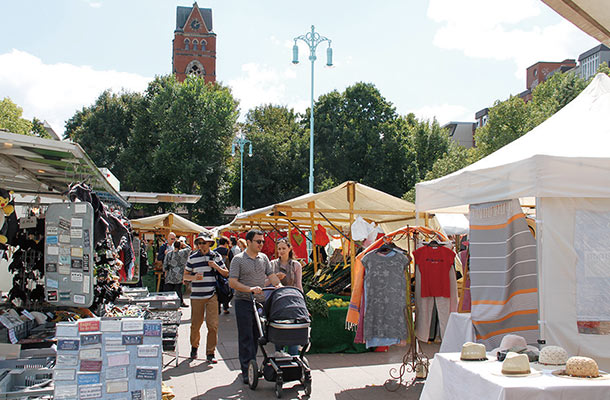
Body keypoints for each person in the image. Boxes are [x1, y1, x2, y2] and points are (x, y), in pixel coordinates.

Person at [229, 229, 282, 384]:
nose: (261, 244)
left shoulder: (263, 258)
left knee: (257, 335)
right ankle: (246, 370)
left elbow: (271, 275)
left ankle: (252, 365)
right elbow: (232, 282)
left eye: (263, 241)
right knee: (246, 336)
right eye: (258, 241)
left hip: (260, 302)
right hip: (243, 301)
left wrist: (278, 286)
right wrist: (249, 289)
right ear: (249, 242)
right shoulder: (238, 260)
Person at [183, 232, 228, 363]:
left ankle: (210, 352)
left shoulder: (216, 256)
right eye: (199, 243)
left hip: (211, 294)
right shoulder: (192, 257)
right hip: (196, 296)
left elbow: (226, 273)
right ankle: (194, 347)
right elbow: (185, 276)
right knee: (195, 325)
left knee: (213, 325)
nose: (201, 245)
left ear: (209, 243)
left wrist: (216, 266)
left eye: (204, 242)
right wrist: (193, 277)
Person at [267, 237, 303, 356]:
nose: (281, 251)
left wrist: (302, 304)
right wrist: (275, 277)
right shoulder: (272, 264)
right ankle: (279, 355)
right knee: (279, 331)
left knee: (293, 333)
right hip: (277, 302)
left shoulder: (296, 265)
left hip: (293, 302)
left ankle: (294, 358)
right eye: (279, 249)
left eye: (283, 248)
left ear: (289, 248)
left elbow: (299, 285)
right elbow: (265, 283)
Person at [163, 237, 191, 307]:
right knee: (178, 289)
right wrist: (184, 244)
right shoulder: (183, 253)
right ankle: (180, 302)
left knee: (170, 289)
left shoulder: (169, 254)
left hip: (171, 274)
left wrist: (165, 272)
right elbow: (189, 249)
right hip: (179, 274)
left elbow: (165, 265)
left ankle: (169, 303)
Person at [214, 237, 232, 314]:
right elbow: (232, 262)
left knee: (218, 291)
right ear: (225, 243)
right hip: (226, 273)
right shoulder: (228, 251)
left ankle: (217, 308)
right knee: (227, 290)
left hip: (216, 274)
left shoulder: (214, 252)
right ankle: (225, 307)